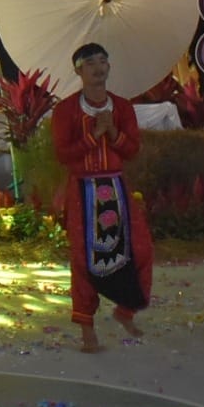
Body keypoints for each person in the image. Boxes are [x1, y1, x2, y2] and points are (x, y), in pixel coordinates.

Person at [50, 41, 152, 353]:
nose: (98, 68)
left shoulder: (122, 107)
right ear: (78, 71)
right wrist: (93, 135)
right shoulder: (66, 110)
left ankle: (126, 310)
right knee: (84, 260)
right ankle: (87, 330)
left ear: (109, 67)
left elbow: (132, 150)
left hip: (116, 188)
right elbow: (63, 155)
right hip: (83, 190)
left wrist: (113, 133)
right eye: (90, 63)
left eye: (102, 61)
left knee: (141, 249)